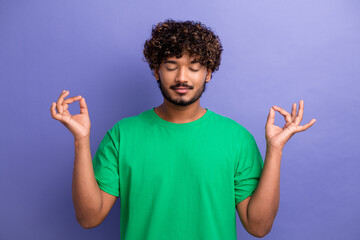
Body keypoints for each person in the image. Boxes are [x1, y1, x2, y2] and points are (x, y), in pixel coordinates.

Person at [50, 19, 316, 239]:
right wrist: (81, 140)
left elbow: (258, 227)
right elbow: (88, 218)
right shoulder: (122, 134)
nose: (182, 77)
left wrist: (276, 149)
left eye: (194, 67)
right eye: (171, 66)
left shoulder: (237, 138)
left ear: (208, 73)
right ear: (156, 70)